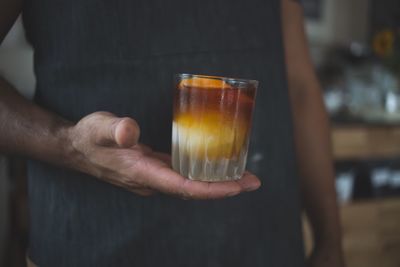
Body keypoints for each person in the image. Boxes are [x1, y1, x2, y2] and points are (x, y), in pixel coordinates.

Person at [0, 0, 345, 266]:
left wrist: (330, 240)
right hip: (94, 241)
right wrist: (68, 144)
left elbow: (299, 87)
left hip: (266, 242)